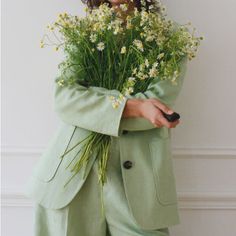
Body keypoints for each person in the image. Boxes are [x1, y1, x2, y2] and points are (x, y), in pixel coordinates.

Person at [24, 0, 188, 235]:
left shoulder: (171, 42)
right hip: (71, 181)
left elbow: (157, 108)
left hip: (139, 187)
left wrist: (93, 98)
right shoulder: (83, 33)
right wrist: (136, 105)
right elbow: (65, 99)